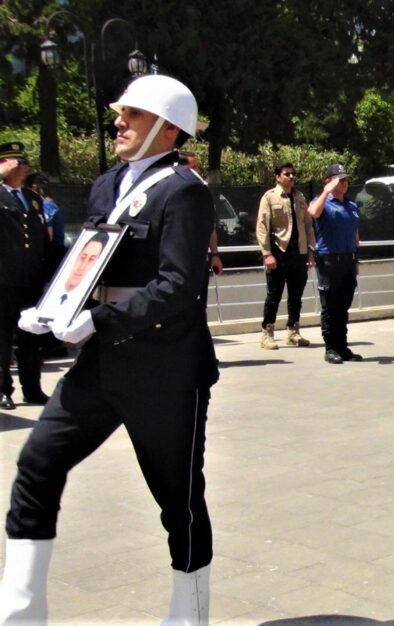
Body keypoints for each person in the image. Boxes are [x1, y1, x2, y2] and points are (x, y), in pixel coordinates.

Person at [3, 74, 217, 623]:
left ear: (169, 130)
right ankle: (21, 610)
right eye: (120, 114)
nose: (119, 122)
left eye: (134, 115)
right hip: (101, 362)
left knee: (179, 502)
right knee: (38, 461)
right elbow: (86, 259)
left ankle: (188, 617)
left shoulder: (185, 191)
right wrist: (51, 306)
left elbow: (178, 287)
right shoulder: (106, 185)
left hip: (165, 369)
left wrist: (97, 320)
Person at [0, 141, 49, 410]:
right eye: (15, 163)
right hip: (4, 279)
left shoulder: (33, 199)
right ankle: (2, 390)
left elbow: (41, 239)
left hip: (30, 278)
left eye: (22, 163)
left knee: (32, 336)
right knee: (3, 338)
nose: (22, 167)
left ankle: (32, 389)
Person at [256, 162, 316, 349]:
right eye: (286, 174)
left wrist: (310, 251)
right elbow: (262, 226)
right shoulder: (270, 197)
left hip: (299, 253)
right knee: (274, 294)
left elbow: (308, 225)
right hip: (278, 252)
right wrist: (267, 254)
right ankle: (267, 333)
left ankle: (293, 331)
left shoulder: (299, 197)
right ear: (278, 177)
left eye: (293, 174)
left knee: (296, 295)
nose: (291, 177)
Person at [308, 164, 362, 364]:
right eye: (340, 179)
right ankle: (330, 348)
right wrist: (326, 191)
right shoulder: (322, 202)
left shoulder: (351, 205)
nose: (345, 183)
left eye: (346, 179)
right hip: (329, 260)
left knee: (343, 306)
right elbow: (312, 212)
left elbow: (355, 234)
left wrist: (356, 259)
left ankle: (342, 346)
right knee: (330, 306)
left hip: (348, 260)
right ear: (329, 181)